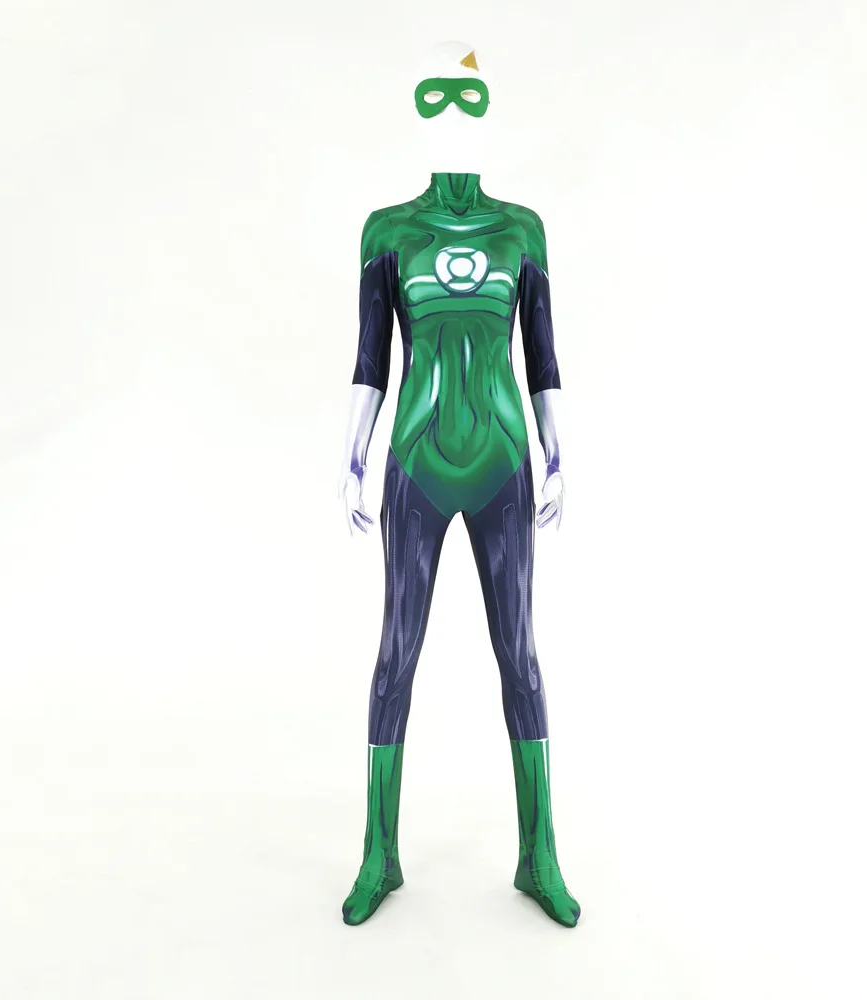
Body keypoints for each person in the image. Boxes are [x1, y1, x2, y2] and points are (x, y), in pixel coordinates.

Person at [337, 40, 580, 928]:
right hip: (416, 463)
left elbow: (543, 356)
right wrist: (351, 454)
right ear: (417, 120)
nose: (453, 123)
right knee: (396, 650)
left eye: (468, 105)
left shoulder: (523, 230)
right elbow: (371, 359)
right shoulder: (388, 231)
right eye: (438, 105)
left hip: (504, 466)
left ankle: (538, 854)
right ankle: (379, 852)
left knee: (518, 651)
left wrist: (560, 452)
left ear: (491, 121)